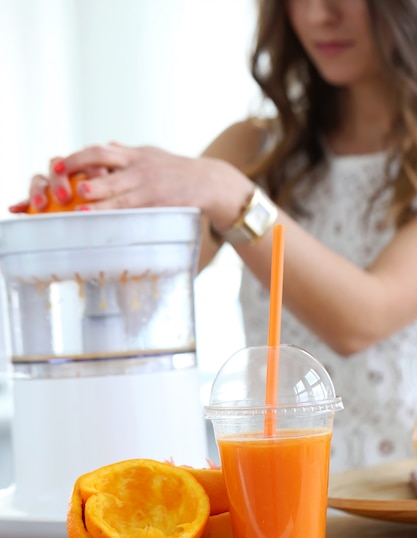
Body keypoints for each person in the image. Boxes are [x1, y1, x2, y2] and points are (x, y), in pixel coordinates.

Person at [10, 0, 417, 472]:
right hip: (270, 503)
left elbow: (361, 320)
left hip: (398, 512)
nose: (316, 15)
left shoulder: (235, 178)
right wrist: (83, 209)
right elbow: (131, 306)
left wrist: (231, 194)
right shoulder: (255, 149)